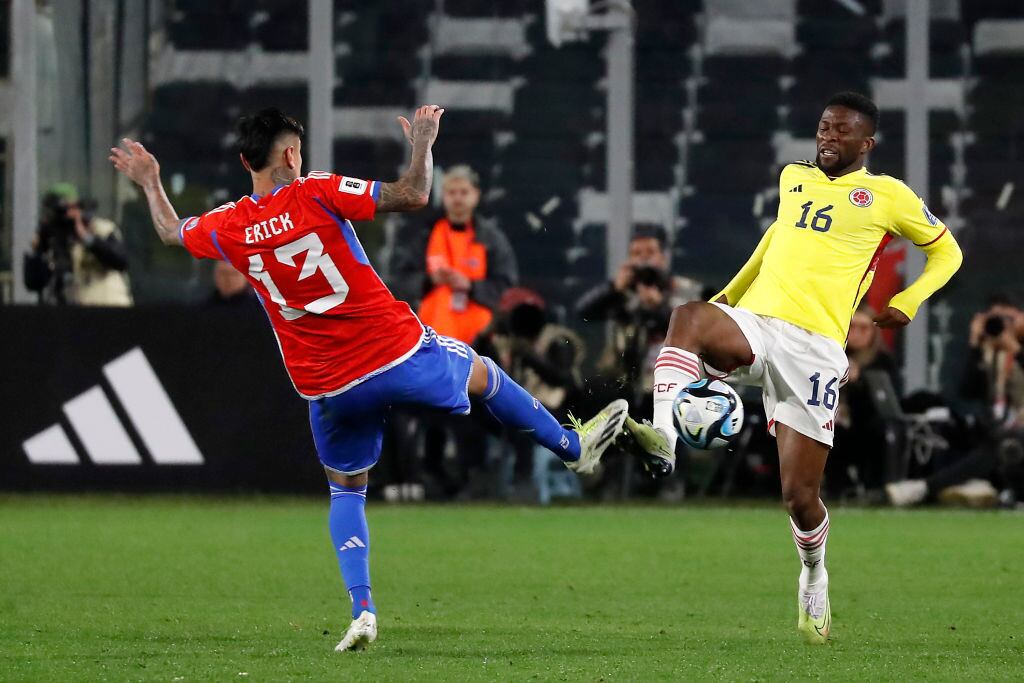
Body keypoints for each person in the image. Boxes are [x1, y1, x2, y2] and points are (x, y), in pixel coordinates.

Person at [109, 106, 627, 652]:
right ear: (291, 155)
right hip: (392, 354)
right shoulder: (316, 190)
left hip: (325, 385)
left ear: (244, 161)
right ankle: (573, 446)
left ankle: (363, 610)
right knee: (486, 373)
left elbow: (169, 230)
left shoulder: (228, 225)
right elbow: (412, 194)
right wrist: (423, 145)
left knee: (346, 489)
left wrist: (152, 181)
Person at [623, 92, 963, 643]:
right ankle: (664, 432)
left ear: (866, 143)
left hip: (817, 350)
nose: (828, 138)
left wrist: (910, 298)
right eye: (823, 127)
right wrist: (728, 297)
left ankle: (813, 573)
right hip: (761, 322)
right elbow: (773, 241)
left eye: (841, 132)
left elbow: (948, 252)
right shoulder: (792, 178)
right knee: (688, 315)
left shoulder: (889, 196)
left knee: (799, 496)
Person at [577, 224, 702, 403]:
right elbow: (584, 312)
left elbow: (697, 330)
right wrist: (613, 289)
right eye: (636, 253)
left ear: (663, 257)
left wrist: (658, 307)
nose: (643, 258)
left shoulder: (684, 290)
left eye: (650, 252)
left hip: (678, 386)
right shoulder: (624, 293)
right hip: (627, 384)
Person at [827, 304, 901, 495]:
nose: (857, 333)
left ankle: (875, 488)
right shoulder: (832, 355)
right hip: (836, 424)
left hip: (867, 424)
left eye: (864, 328)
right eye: (852, 326)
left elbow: (890, 401)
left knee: (877, 431)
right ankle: (837, 489)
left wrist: (862, 379)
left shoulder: (883, 360)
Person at [24, 183, 133, 306]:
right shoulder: (53, 237)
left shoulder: (101, 229)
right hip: (74, 309)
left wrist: (87, 238)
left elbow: (120, 261)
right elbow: (33, 283)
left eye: (70, 208)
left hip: (108, 306)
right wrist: (38, 250)